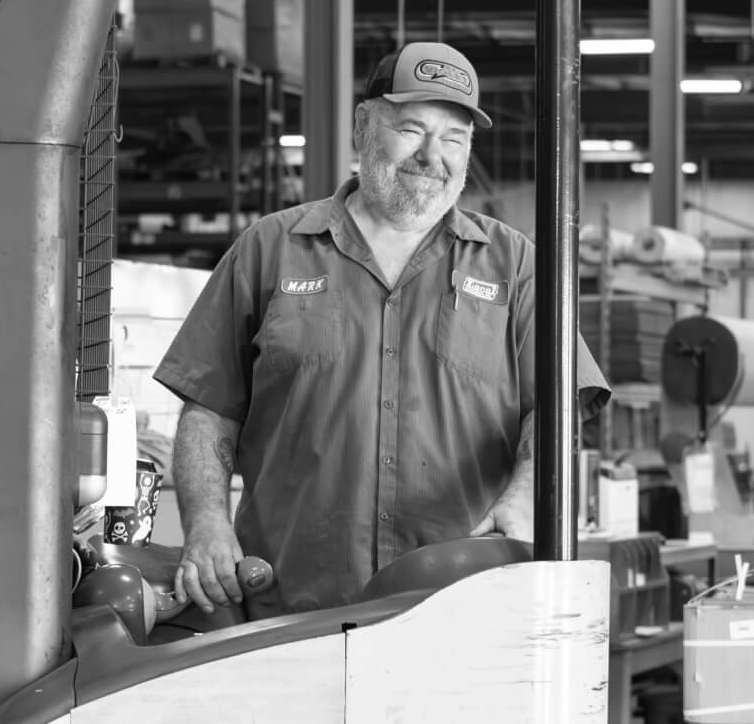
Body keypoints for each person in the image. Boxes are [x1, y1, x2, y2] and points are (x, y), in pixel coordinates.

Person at [152, 41, 612, 618]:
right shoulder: (269, 250)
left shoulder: (515, 265)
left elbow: (557, 406)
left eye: (454, 138)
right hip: (292, 607)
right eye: (411, 129)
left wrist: (525, 495)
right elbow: (208, 408)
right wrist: (206, 523)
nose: (431, 156)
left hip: (465, 608)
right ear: (362, 126)